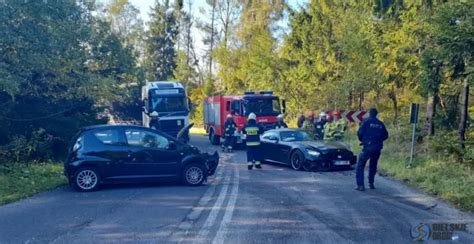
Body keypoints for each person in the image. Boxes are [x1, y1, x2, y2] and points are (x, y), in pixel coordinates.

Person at [355, 108, 389, 191]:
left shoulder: (366, 121)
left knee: (360, 165)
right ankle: (371, 183)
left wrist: (363, 140)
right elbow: (386, 135)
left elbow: (360, 133)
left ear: (369, 113)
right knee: (373, 165)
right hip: (377, 147)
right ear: (376, 114)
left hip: (368, 146)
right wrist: (378, 140)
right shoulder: (380, 123)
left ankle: (360, 185)